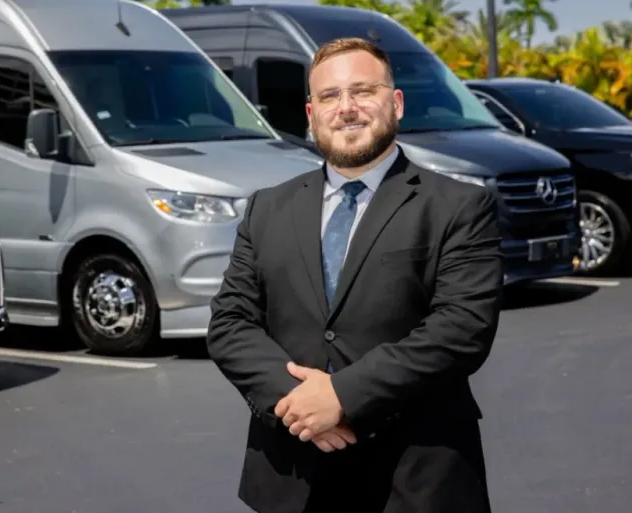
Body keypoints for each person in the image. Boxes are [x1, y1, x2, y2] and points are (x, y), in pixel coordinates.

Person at [206, 36, 503, 513]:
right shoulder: (267, 208)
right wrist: (301, 405)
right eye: (329, 96)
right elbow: (229, 325)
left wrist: (343, 396)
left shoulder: (457, 206)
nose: (347, 108)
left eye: (363, 91)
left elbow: (461, 330)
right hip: (294, 476)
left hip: (416, 481)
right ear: (310, 113)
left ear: (396, 102)